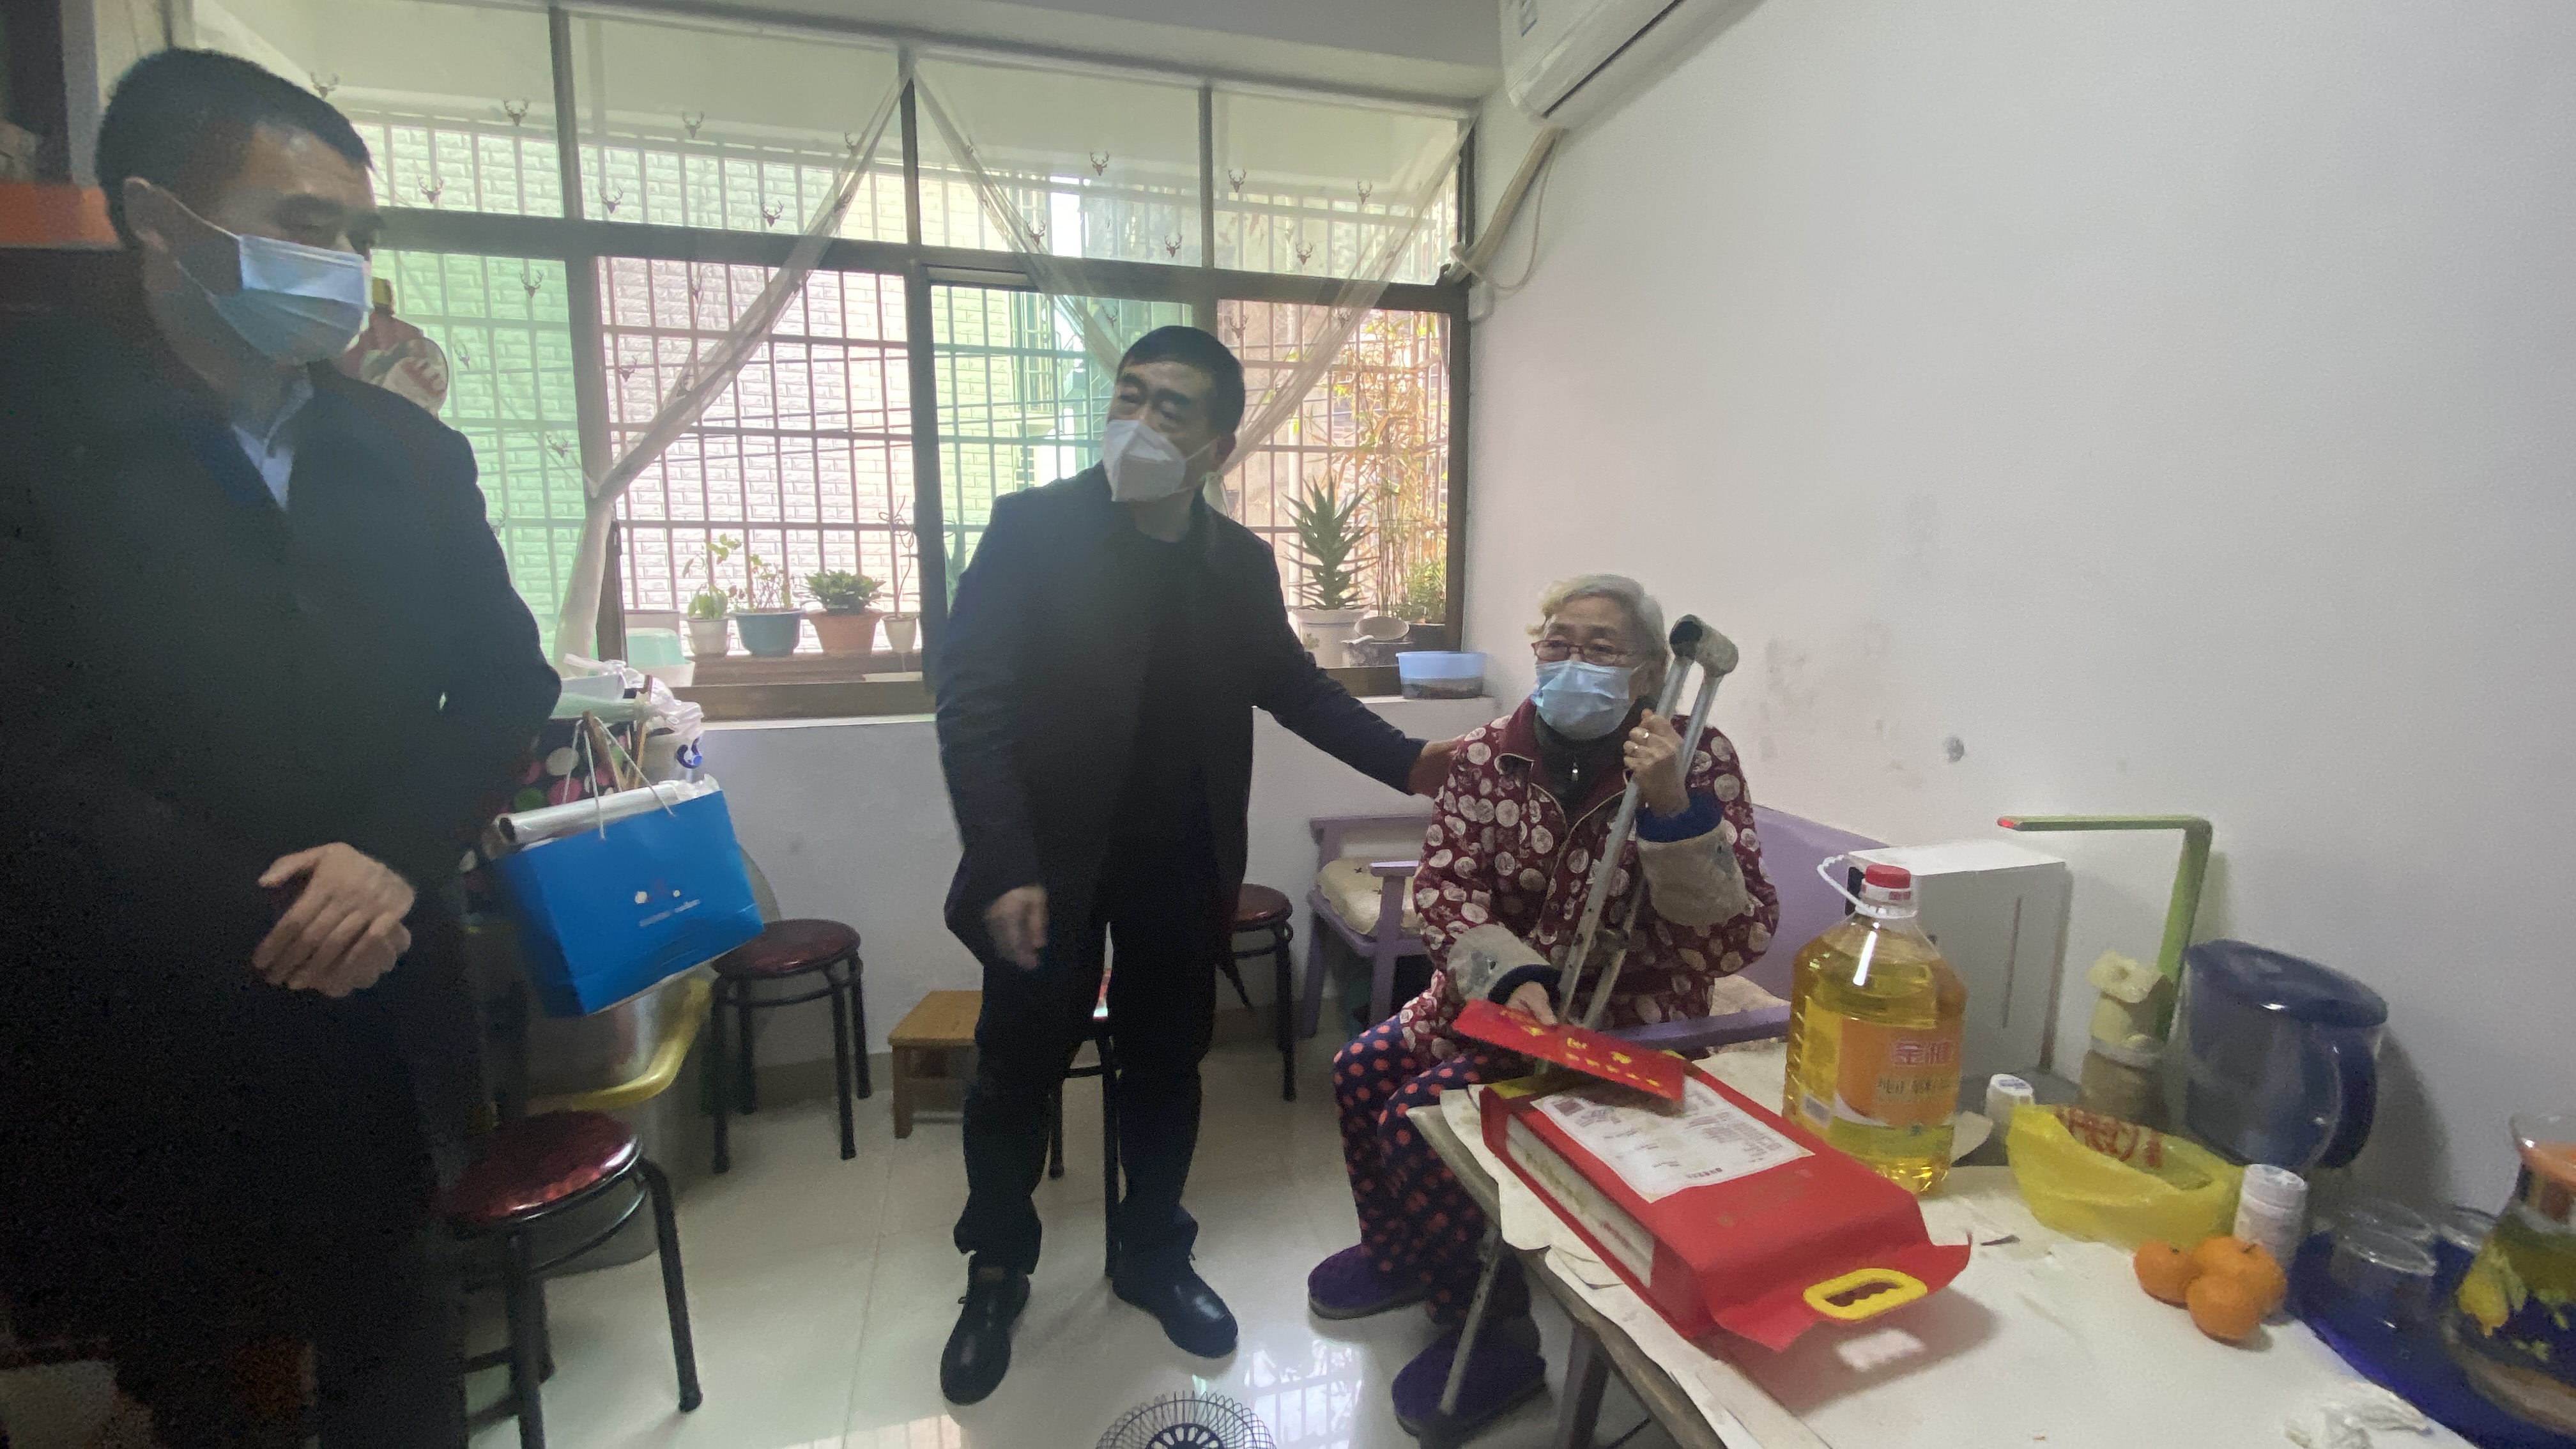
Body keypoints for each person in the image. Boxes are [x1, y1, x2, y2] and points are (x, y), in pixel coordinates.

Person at [0, 50, 558, 1447]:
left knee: (401, 1341)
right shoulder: (35, 422)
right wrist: (283, 920)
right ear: (157, 217)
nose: (344, 270)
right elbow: (35, 744)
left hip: (383, 997)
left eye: (358, 236)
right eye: (307, 227)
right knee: (200, 1371)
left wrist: (388, 863)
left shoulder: (409, 454)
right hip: (144, 1003)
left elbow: (508, 683)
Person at [932, 325, 1455, 1404]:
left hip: (1181, 857)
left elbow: (1293, 685)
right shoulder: (1032, 530)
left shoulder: (1237, 564)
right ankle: (996, 1271)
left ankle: (1153, 1255)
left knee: (1168, 1065)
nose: (1137, 419)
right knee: (1015, 1069)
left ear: (1218, 448)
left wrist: (1410, 762)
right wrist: (1005, 859)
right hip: (1044, 868)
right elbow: (970, 704)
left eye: (1170, 406)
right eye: (1128, 394)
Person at [1308, 574, 1780, 1439]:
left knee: (1418, 1122)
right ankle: (1403, 1255)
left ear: (1648, 673)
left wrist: (1672, 806)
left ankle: (1494, 1333)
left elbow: (1734, 939)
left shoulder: (1698, 757)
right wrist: (1507, 976)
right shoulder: (1489, 753)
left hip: (1620, 1022)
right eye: (1558, 642)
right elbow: (1446, 886)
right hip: (1496, 997)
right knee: (1360, 1069)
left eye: (1602, 648)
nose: (1574, 661)